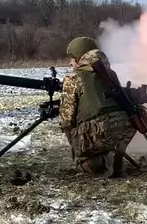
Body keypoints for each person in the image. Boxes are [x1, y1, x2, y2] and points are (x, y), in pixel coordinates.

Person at [58, 37, 138, 177]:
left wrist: (77, 148)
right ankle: (113, 155)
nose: (70, 63)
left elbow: (66, 120)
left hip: (98, 131)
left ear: (79, 57)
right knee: (104, 137)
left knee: (83, 158)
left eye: (72, 58)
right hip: (124, 128)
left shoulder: (72, 79)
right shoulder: (110, 74)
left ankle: (93, 164)